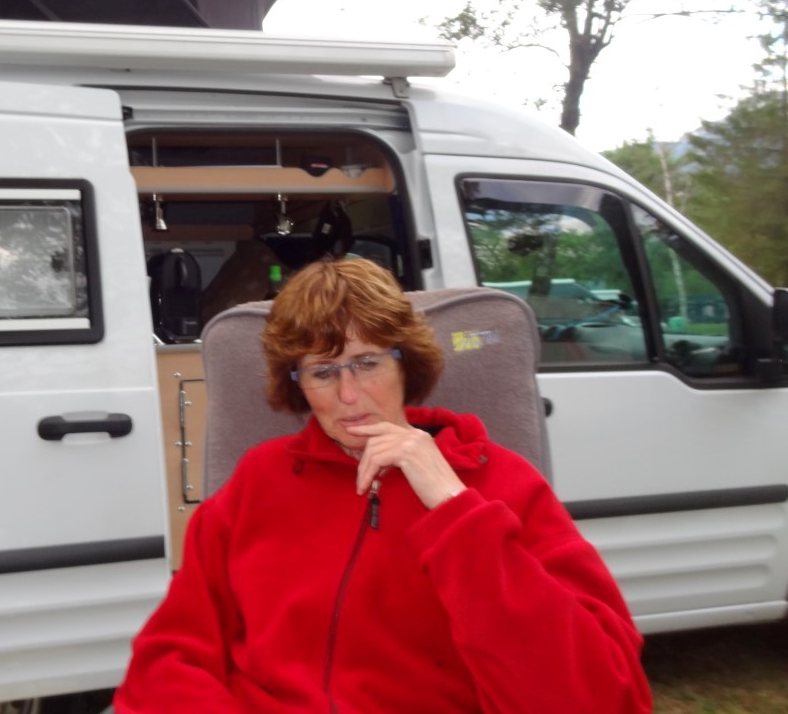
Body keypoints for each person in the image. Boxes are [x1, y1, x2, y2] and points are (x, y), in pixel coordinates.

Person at [113, 258, 652, 713]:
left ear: (405, 364)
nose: (349, 395)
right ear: (297, 385)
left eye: (367, 363)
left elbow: (605, 696)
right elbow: (172, 653)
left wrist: (455, 509)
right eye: (323, 372)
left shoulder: (501, 483)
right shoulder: (258, 480)